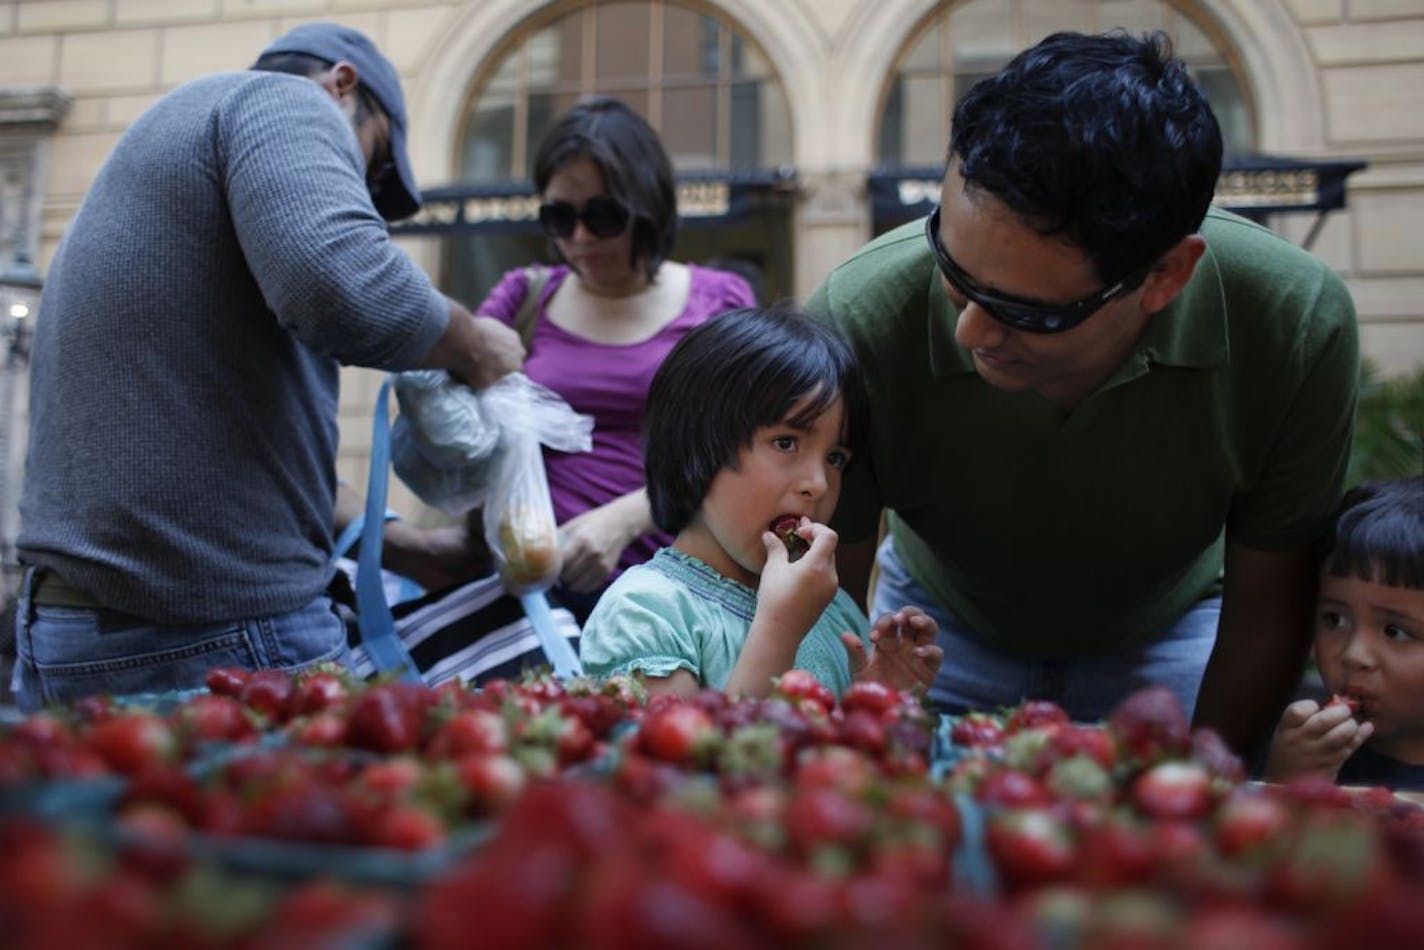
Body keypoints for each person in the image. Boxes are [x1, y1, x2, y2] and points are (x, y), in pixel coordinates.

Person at [807, 31, 1359, 756]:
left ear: (1165, 277)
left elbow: (1269, 603)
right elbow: (825, 595)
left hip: (1176, 634)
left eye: (1030, 312)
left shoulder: (1293, 320)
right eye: (952, 267)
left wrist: (1207, 784)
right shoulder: (858, 314)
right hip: (930, 633)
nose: (971, 329)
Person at [12, 23, 524, 710]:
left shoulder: (181, 144)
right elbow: (339, 284)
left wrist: (407, 550)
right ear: (343, 85)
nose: (363, 198)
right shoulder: (283, 103)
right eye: (372, 171)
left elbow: (231, 446)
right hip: (211, 634)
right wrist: (474, 344)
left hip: (80, 629)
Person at [461, 96, 755, 622]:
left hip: (679, 597)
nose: (579, 238)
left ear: (647, 206)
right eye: (560, 216)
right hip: (538, 596)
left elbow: (748, 449)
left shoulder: (720, 302)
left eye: (602, 215)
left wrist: (626, 520)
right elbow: (456, 414)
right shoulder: (523, 297)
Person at [580, 308, 943, 699]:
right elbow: (689, 758)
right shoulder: (645, 613)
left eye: (835, 457)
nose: (818, 484)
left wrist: (878, 702)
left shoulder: (833, 610)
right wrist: (780, 626)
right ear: (697, 450)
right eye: (786, 442)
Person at [1265, 477, 1424, 789]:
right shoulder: (1303, 752)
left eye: (1395, 631)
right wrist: (1289, 783)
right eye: (1334, 620)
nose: (1353, 655)